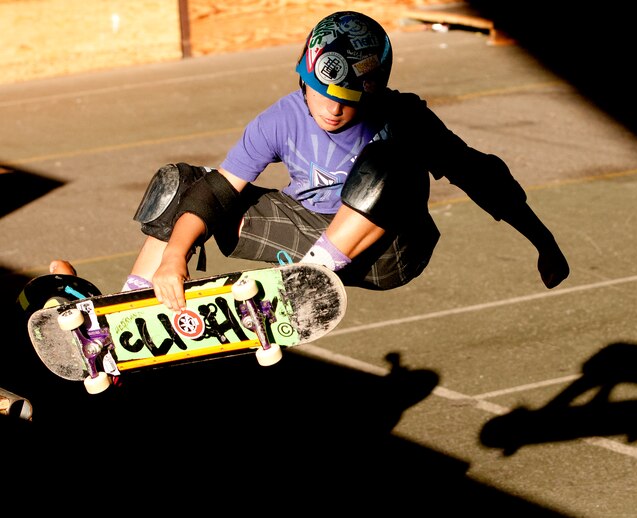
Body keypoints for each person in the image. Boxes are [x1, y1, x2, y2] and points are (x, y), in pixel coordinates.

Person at [51, 10, 569, 312]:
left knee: (391, 156)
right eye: (324, 93)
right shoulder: (279, 118)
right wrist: (174, 257)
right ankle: (129, 314)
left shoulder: (402, 116)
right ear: (304, 77)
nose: (335, 109)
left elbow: (481, 175)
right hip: (306, 233)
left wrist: (542, 241)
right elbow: (218, 191)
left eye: (350, 100)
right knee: (184, 183)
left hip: (391, 250)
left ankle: (310, 279)